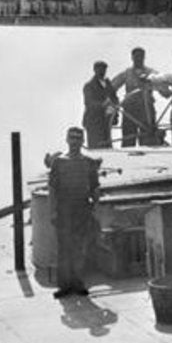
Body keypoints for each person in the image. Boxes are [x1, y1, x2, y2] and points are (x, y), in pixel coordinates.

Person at [47, 126, 101, 299]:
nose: (75, 141)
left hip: (82, 209)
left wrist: (95, 205)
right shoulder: (59, 162)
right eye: (72, 138)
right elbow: (52, 189)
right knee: (64, 248)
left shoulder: (88, 163)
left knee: (79, 248)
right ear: (67, 140)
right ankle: (64, 286)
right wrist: (53, 212)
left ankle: (78, 283)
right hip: (64, 210)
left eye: (78, 138)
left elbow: (95, 186)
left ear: (82, 141)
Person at [111, 47, 166, 147]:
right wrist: (114, 102)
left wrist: (164, 91)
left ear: (144, 58)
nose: (138, 59)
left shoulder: (151, 73)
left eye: (141, 57)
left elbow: (163, 87)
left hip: (147, 112)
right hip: (130, 111)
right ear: (132, 58)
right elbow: (112, 87)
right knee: (128, 140)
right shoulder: (127, 73)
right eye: (136, 57)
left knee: (148, 140)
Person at [82, 60, 118, 149]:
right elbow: (89, 103)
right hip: (94, 121)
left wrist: (114, 109)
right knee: (96, 147)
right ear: (94, 70)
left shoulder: (108, 85)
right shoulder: (89, 86)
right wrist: (103, 105)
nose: (102, 71)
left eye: (104, 69)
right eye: (99, 69)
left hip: (106, 120)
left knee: (107, 146)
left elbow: (115, 99)